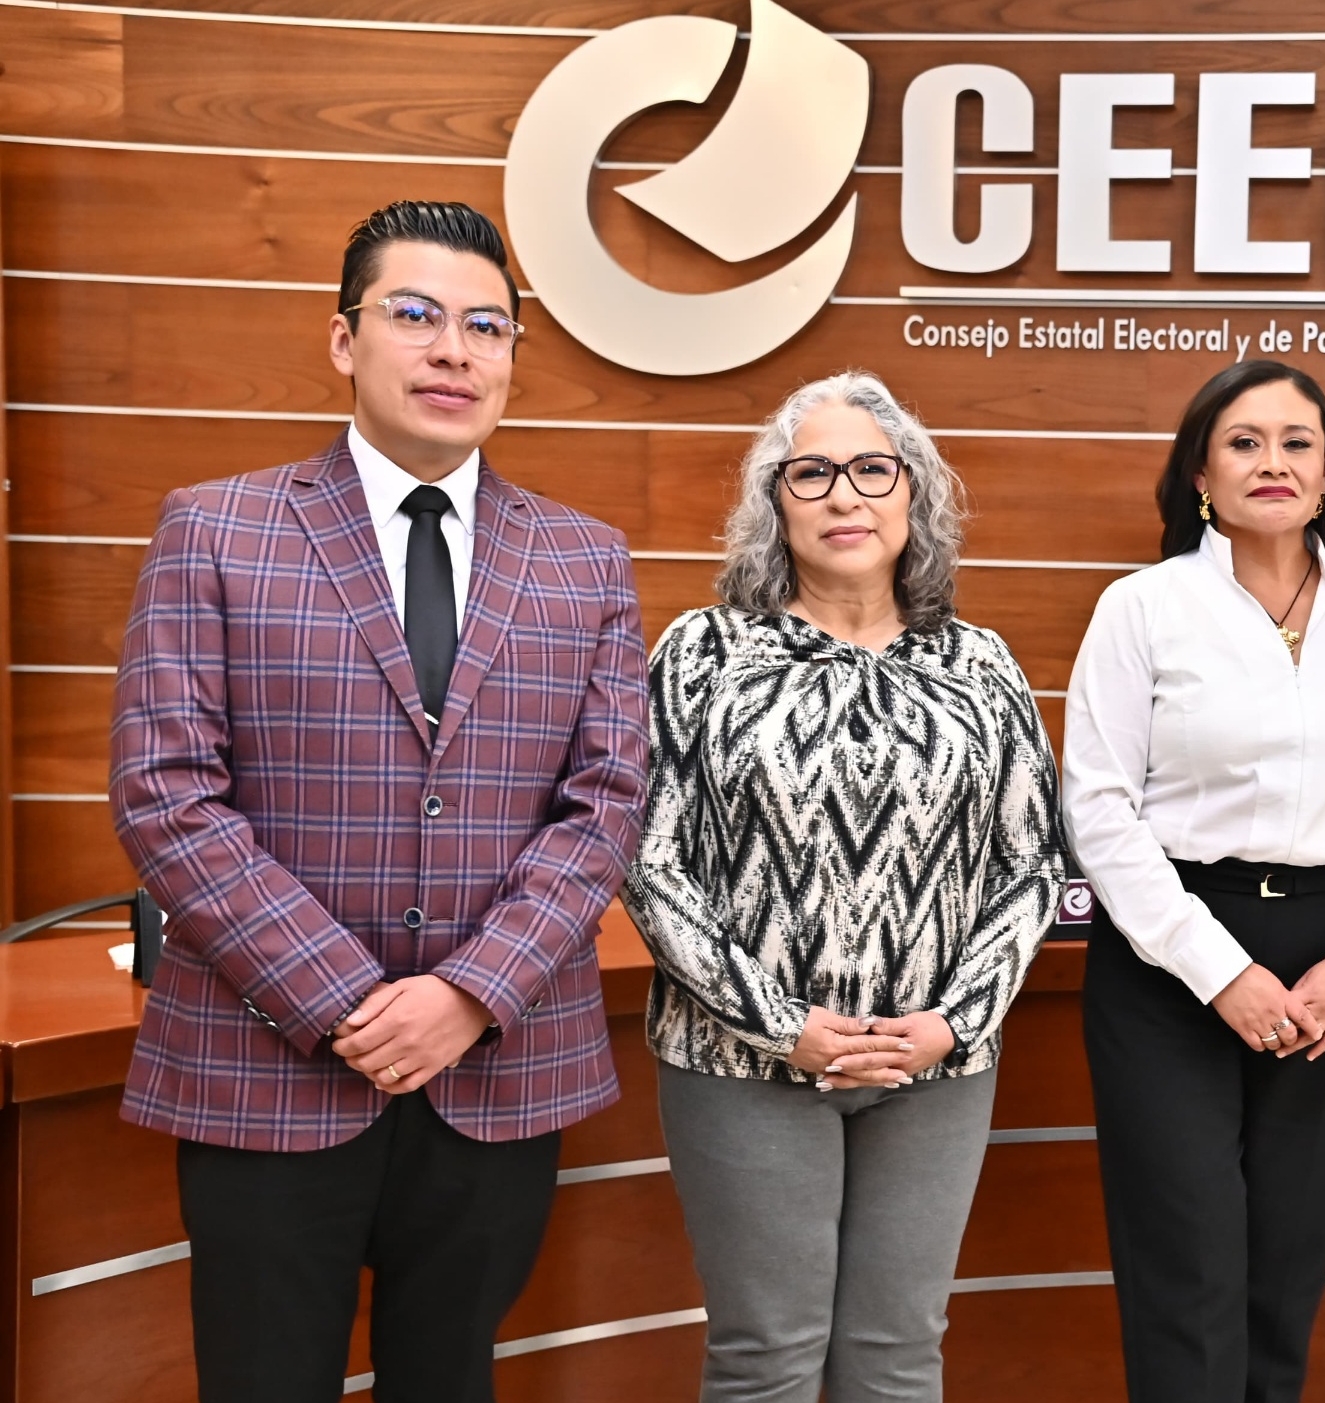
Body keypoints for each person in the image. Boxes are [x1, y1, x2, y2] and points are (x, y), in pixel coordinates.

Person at [108, 201, 649, 1402]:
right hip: (268, 1066)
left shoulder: (586, 558)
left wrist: (469, 993)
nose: (454, 350)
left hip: (498, 1074)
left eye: (487, 326)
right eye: (416, 315)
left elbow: (606, 803)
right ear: (345, 340)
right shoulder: (217, 529)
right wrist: (348, 1002)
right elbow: (165, 793)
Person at [623, 371, 1064, 1403]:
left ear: (915, 493)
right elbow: (649, 860)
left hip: (935, 1071)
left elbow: (1033, 863)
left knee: (897, 1356)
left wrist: (953, 1021)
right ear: (774, 501)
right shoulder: (703, 652)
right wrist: (783, 1024)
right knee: (766, 1356)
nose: (844, 495)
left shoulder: (980, 664)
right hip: (742, 1065)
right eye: (812, 472)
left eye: (872, 469)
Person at [1061, 359, 1325, 1403]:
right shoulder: (1143, 607)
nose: (1272, 461)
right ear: (1201, 472)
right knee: (1187, 1279)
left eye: (1296, 442)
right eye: (1243, 441)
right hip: (1169, 962)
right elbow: (1098, 808)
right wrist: (1218, 970)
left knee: (1286, 1271)